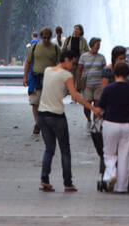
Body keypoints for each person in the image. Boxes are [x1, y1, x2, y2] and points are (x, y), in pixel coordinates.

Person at [37, 53, 98, 191]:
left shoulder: (47, 70)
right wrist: (93, 108)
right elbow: (75, 96)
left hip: (42, 115)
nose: (74, 67)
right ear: (66, 60)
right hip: (57, 116)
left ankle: (44, 179)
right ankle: (68, 183)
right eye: (73, 63)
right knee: (65, 150)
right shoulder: (66, 75)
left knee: (49, 149)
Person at [98, 60, 129, 193]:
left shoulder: (108, 89)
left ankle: (111, 172)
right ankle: (122, 187)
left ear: (114, 73)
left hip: (110, 124)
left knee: (109, 153)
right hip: (128, 125)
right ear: (127, 74)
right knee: (125, 156)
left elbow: (101, 106)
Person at [23, 27, 60, 137]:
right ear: (41, 36)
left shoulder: (55, 48)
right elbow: (28, 63)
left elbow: (61, 63)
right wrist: (25, 77)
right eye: (44, 37)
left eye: (48, 37)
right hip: (36, 78)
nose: (46, 39)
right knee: (35, 103)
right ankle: (38, 123)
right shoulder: (34, 47)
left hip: (50, 79)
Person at [76, 38, 105, 125]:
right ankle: (88, 119)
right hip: (87, 85)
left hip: (98, 85)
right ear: (92, 45)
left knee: (97, 105)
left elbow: (105, 71)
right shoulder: (84, 56)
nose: (98, 47)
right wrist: (78, 83)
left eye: (99, 45)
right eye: (97, 45)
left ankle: (95, 123)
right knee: (87, 105)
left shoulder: (101, 57)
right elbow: (79, 70)